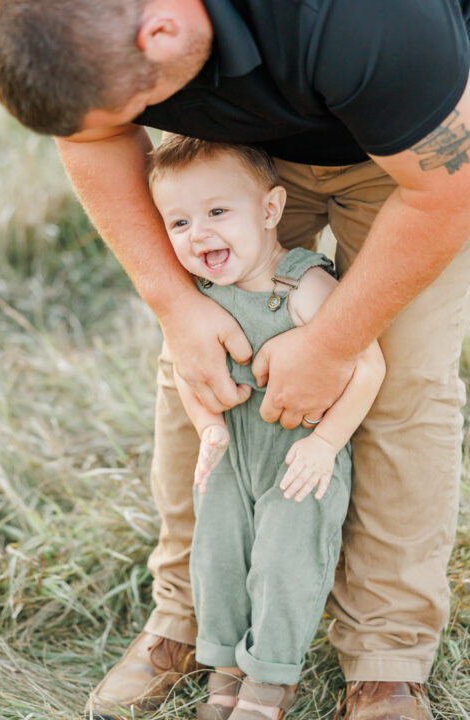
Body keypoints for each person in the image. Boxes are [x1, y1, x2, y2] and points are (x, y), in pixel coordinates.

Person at [0, 0, 470, 718]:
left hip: (424, 130)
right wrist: (177, 307)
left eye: (144, 101)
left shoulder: (368, 18)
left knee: (400, 381)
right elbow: (92, 129)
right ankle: (190, 617)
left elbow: (452, 186)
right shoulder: (99, 33)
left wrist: (331, 345)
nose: (141, 116)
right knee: (209, 357)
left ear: (161, 31)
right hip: (241, 133)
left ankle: (386, 660)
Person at [147, 135, 385, 720]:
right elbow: (186, 372)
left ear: (271, 211)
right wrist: (207, 427)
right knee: (218, 556)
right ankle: (225, 666)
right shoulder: (200, 299)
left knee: (285, 562)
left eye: (217, 213)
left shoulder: (302, 285)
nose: (198, 234)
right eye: (179, 222)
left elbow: (369, 365)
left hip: (298, 458)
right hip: (231, 454)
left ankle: (269, 680)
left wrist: (326, 444)